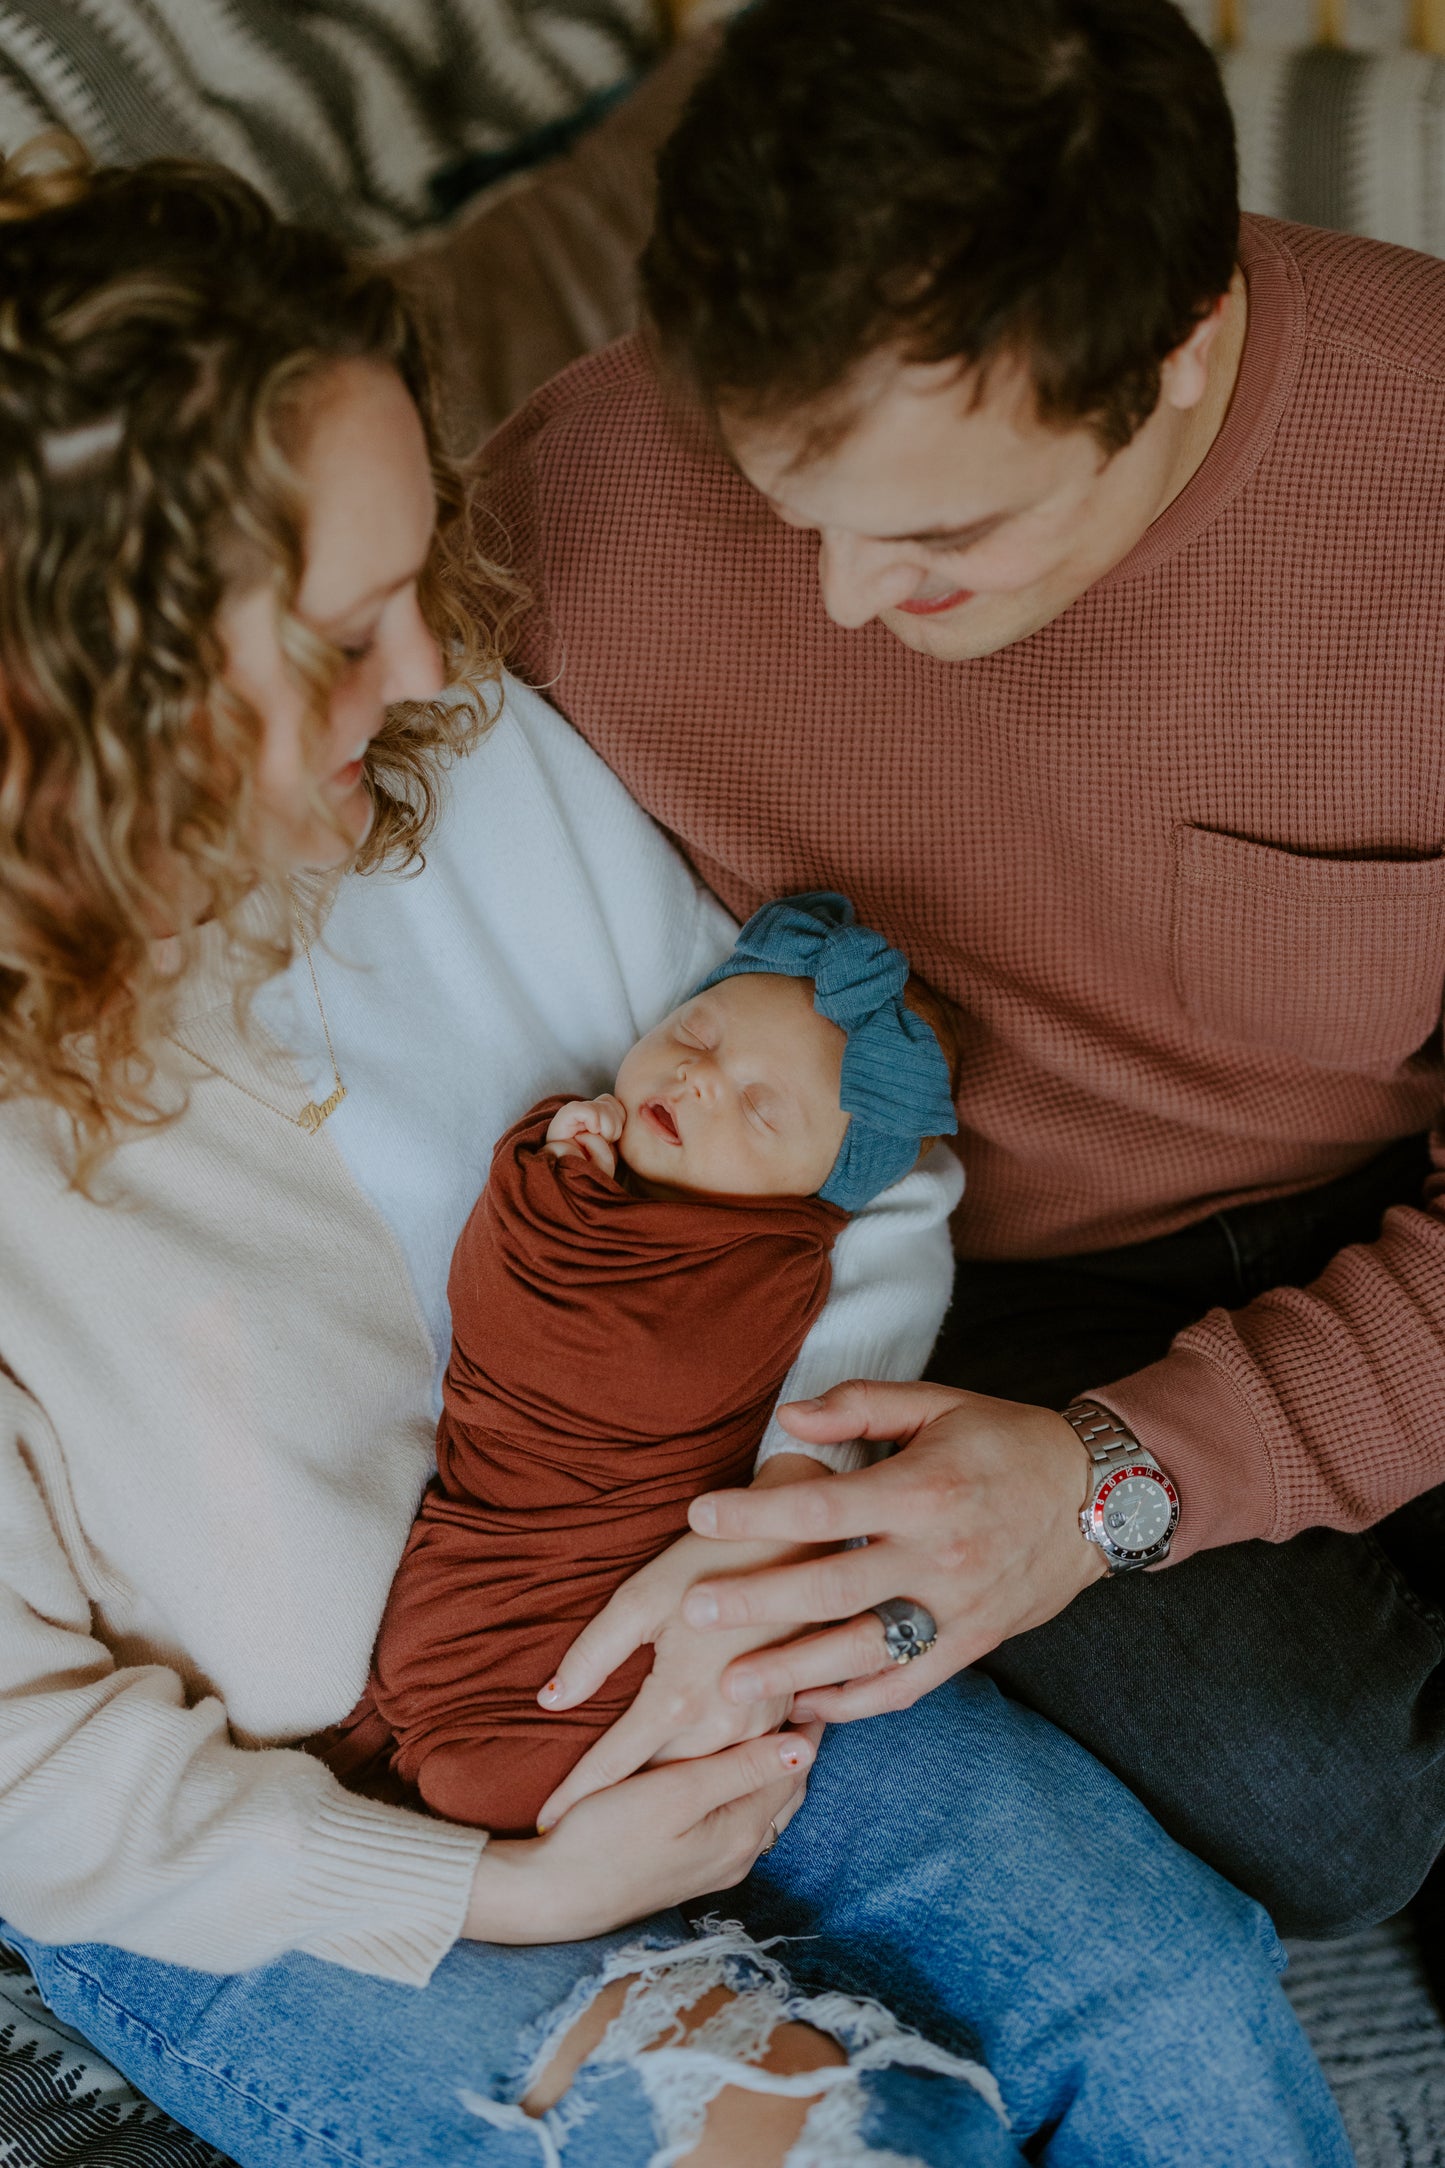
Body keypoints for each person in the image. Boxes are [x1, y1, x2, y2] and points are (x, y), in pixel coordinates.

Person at [0, 145, 1352, 2167]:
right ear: (87, 694)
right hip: (258, 1838)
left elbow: (838, 1164)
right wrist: (491, 1896)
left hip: (685, 1637)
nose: (437, 676)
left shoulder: (451, 781)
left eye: (409, 589)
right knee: (793, 2130)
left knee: (1158, 1997)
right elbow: (29, 1770)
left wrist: (735, 1556)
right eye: (340, 633)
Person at [477, 0, 1445, 1939]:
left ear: (1173, 354)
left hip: (1382, 1200)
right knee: (1328, 1802)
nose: (836, 598)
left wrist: (1138, 1474)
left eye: (935, 535)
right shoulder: (561, 512)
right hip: (958, 1287)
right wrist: (1081, 1471)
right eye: (776, 493)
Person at [317, 897, 960, 1837]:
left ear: (819, 1196)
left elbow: (620, 1365)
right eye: (698, 1031)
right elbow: (498, 1324)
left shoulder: (773, 1271)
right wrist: (551, 1179)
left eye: (760, 1108)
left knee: (492, 1771)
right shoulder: (580, 1150)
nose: (699, 1079)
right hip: (471, 1544)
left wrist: (570, 1210)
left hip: (604, 1589)